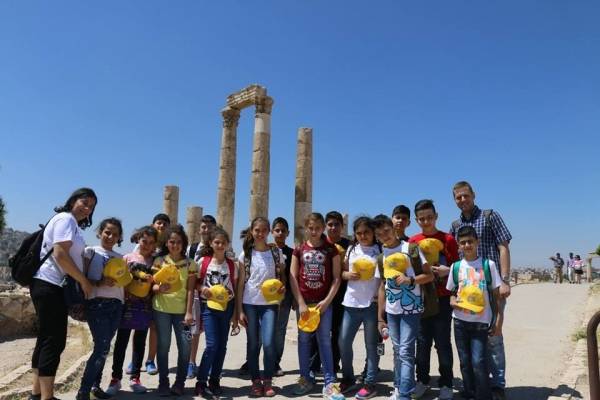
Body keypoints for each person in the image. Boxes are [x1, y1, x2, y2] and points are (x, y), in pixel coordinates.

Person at [30, 188, 97, 400]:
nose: (87, 208)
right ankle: (47, 397)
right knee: (54, 341)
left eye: (91, 206)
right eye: (84, 202)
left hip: (48, 285)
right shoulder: (66, 219)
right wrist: (83, 281)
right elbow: (60, 254)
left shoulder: (71, 223)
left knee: (45, 339)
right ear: (73, 200)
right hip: (50, 284)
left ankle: (36, 394)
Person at [449, 181, 512, 400]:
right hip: (467, 292)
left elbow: (503, 247)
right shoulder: (456, 225)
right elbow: (454, 255)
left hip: (491, 286)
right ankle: (477, 387)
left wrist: (505, 280)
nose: (462, 200)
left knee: (494, 337)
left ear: (473, 195)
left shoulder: (490, 216)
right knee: (471, 349)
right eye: (458, 197)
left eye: (465, 195)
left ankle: (497, 385)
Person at [374, 214, 433, 400]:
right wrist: (380, 317)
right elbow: (383, 287)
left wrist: (411, 280)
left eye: (386, 230)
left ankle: (404, 394)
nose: (384, 236)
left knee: (406, 351)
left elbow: (429, 275)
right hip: (392, 311)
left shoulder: (411, 248)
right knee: (397, 351)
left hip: (411, 309)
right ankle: (399, 388)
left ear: (393, 228)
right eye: (379, 234)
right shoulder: (381, 256)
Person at [290, 212, 344, 400]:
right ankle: (305, 378)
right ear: (306, 228)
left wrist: (327, 301)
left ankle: (330, 382)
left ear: (323, 228)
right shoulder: (299, 249)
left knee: (324, 340)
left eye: (318, 228)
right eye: (311, 228)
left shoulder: (331, 249)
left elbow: (336, 278)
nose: (314, 231)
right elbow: (293, 276)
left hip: (323, 303)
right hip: (305, 304)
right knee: (304, 340)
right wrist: (300, 302)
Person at [409, 200, 458, 400]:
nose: (426, 221)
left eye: (429, 217)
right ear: (416, 220)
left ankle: (446, 383)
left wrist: (449, 270)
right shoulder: (413, 241)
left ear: (436, 216)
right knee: (422, 343)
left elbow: (459, 267)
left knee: (443, 343)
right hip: (420, 298)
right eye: (422, 219)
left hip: (443, 299)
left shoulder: (448, 239)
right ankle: (422, 380)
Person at [447, 225, 501, 400]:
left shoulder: (488, 265)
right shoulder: (455, 267)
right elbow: (452, 292)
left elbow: (496, 296)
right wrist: (453, 301)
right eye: (463, 242)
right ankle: (469, 392)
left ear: (477, 242)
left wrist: (498, 321)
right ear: (459, 245)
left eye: (470, 241)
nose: (467, 245)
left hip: (481, 322)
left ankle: (484, 395)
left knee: (478, 361)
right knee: (464, 361)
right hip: (459, 321)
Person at [236, 217, 286, 397]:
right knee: (253, 343)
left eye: (264, 230)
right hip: (250, 303)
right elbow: (240, 284)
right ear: (252, 231)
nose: (260, 233)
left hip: (269, 304)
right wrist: (239, 310)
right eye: (257, 230)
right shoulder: (245, 254)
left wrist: (283, 286)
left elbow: (282, 275)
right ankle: (256, 381)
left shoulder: (276, 252)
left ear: (269, 231)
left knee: (269, 342)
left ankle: (268, 380)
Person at [77, 218, 125, 400]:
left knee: (104, 348)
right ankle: (83, 391)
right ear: (100, 233)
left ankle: (95, 387)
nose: (110, 236)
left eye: (115, 234)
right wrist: (99, 282)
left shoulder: (120, 258)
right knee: (102, 347)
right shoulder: (90, 252)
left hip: (117, 305)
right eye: (107, 232)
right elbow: (81, 279)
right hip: (97, 304)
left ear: (119, 237)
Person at [107, 226, 158, 395]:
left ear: (155, 245)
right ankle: (115, 378)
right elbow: (121, 279)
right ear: (138, 239)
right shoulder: (127, 257)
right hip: (127, 305)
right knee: (121, 342)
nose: (146, 245)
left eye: (151, 242)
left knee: (139, 343)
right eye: (144, 241)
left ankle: (135, 377)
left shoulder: (155, 262)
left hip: (145, 306)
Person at [338, 217, 381, 399]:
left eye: (366, 232)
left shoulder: (380, 250)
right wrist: (346, 274)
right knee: (343, 341)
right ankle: (348, 378)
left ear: (373, 233)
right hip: (351, 303)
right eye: (359, 233)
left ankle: (370, 383)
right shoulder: (351, 249)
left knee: (371, 345)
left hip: (372, 304)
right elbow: (341, 272)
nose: (363, 236)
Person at [151, 225, 197, 396]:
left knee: (185, 348)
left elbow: (191, 290)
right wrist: (158, 288)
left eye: (178, 242)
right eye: (172, 241)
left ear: (183, 244)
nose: (175, 245)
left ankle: (179, 383)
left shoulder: (191, 264)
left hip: (182, 312)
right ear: (166, 243)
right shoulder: (159, 261)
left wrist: (189, 312)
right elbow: (152, 285)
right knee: (163, 346)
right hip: (161, 309)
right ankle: (163, 382)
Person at [194, 227, 238, 397]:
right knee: (212, 345)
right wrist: (202, 289)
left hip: (227, 307)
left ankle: (214, 380)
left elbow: (235, 288)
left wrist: (235, 314)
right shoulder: (203, 262)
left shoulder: (232, 264)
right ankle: (201, 381)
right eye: (217, 242)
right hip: (209, 307)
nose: (220, 245)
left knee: (222, 346)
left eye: (223, 242)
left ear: (227, 244)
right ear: (211, 243)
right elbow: (195, 283)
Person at [187, 214, 217, 379]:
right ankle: (191, 363)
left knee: (212, 333)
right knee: (195, 331)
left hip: (213, 296)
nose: (206, 230)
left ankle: (211, 364)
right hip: (196, 295)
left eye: (209, 227)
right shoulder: (192, 249)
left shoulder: (218, 246)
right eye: (203, 227)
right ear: (199, 229)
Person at [271, 217, 294, 377]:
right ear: (272, 232)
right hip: (264, 298)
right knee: (260, 331)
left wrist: (294, 299)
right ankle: (250, 361)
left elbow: (293, 277)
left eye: (283, 230)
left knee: (279, 331)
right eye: (277, 230)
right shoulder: (265, 249)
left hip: (285, 297)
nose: (280, 233)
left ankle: (275, 362)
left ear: (288, 233)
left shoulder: (292, 253)